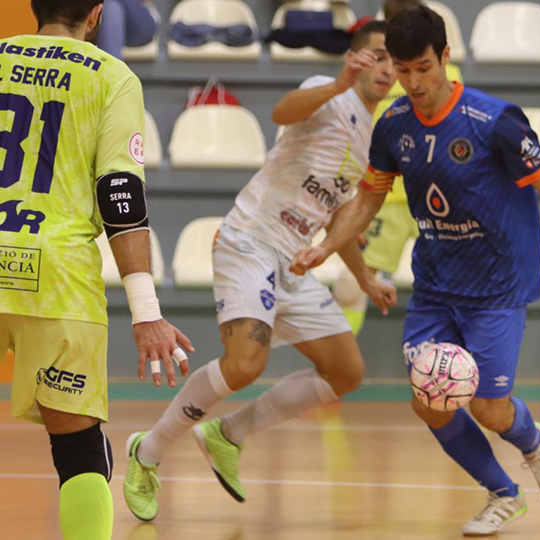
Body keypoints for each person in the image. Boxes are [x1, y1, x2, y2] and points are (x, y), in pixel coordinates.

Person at [290, 6, 540, 535]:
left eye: (423, 68)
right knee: (429, 401)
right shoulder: (394, 124)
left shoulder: (494, 121)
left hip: (497, 285)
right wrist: (326, 246)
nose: (412, 82)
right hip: (434, 286)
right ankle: (502, 492)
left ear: (445, 57)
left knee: (489, 410)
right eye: (402, 71)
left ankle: (535, 444)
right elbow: (367, 198)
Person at [122, 21, 398, 521]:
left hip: (293, 262)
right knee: (245, 365)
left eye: (393, 61)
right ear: (357, 57)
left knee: (346, 371)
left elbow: (338, 215)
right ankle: (148, 451)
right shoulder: (324, 90)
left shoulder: (373, 136)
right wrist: (337, 83)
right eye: (378, 56)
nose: (387, 68)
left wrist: (364, 279)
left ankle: (229, 434)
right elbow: (280, 111)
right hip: (250, 240)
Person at [0, 1, 193, 539]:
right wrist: (146, 312)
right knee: (79, 449)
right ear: (98, 14)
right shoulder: (111, 77)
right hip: (57, 279)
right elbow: (120, 192)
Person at [334, 0, 463, 335]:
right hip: (382, 199)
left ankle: (466, 373)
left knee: (459, 288)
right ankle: (335, 371)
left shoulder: (445, 70)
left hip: (438, 200)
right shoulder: (372, 69)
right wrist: (350, 202)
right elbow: (353, 131)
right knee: (350, 284)